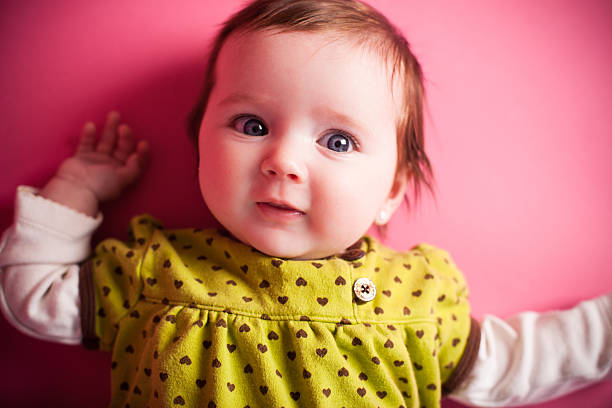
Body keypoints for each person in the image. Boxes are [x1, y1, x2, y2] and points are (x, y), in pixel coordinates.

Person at [0, 0, 610, 407]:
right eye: (251, 124)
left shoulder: (415, 299)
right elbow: (33, 299)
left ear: (391, 191)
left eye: (337, 141)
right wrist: (76, 190)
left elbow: (517, 361)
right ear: (198, 150)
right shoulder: (156, 271)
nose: (283, 161)